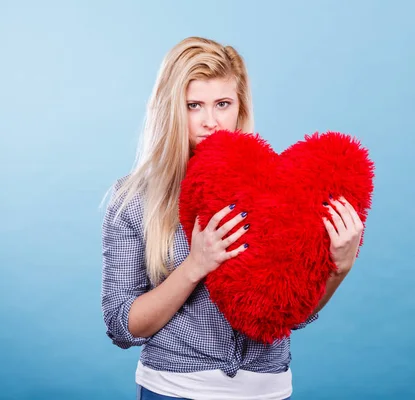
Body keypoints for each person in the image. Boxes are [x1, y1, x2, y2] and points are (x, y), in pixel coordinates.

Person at [101, 36, 364, 400]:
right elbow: (121, 325)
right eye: (194, 105)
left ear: (240, 108)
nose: (211, 121)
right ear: (171, 110)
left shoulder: (277, 190)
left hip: (267, 389)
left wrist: (338, 268)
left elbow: (291, 314)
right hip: (174, 390)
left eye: (222, 104)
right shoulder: (133, 198)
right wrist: (195, 264)